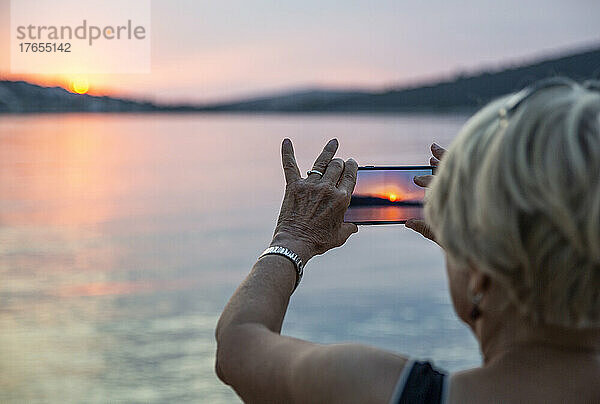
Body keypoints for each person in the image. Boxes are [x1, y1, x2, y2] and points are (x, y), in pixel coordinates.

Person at [215, 78, 600, 403]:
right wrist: (477, 248)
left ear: (481, 276)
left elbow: (237, 345)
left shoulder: (380, 388)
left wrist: (292, 237)